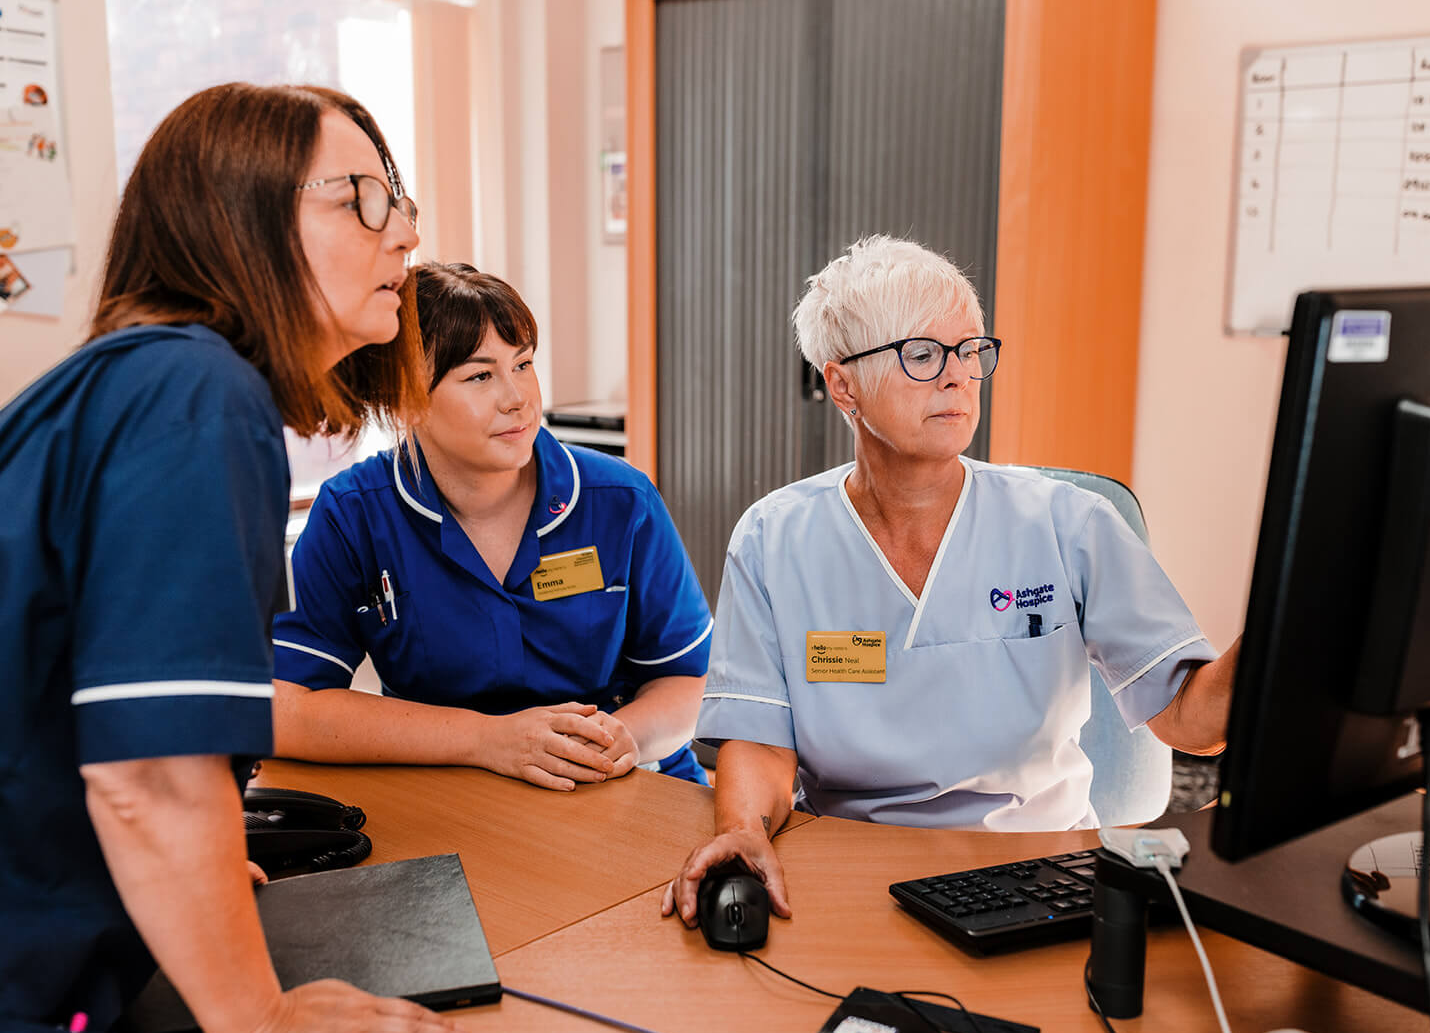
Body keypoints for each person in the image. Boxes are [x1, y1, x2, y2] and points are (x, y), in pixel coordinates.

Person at [0, 83, 479, 1033]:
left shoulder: (140, 381)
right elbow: (150, 773)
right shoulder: (194, 394)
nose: (403, 230)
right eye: (359, 196)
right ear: (239, 220)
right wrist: (264, 1019)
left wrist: (186, 872)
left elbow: (75, 705)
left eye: (398, 197)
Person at [663, 235, 1238, 927]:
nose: (957, 377)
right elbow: (759, 740)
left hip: (1040, 870)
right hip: (851, 870)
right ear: (842, 383)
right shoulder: (774, 538)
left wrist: (1280, 626)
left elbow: (1191, 717)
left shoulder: (1067, 524)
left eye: (970, 351)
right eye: (923, 353)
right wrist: (744, 829)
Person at [272, 262, 712, 790]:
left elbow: (690, 679)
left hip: (623, 786)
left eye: (522, 364)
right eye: (480, 375)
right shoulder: (353, 513)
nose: (518, 397)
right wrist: (485, 739)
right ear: (404, 398)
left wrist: (626, 737)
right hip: (454, 799)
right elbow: (286, 709)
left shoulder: (621, 499)